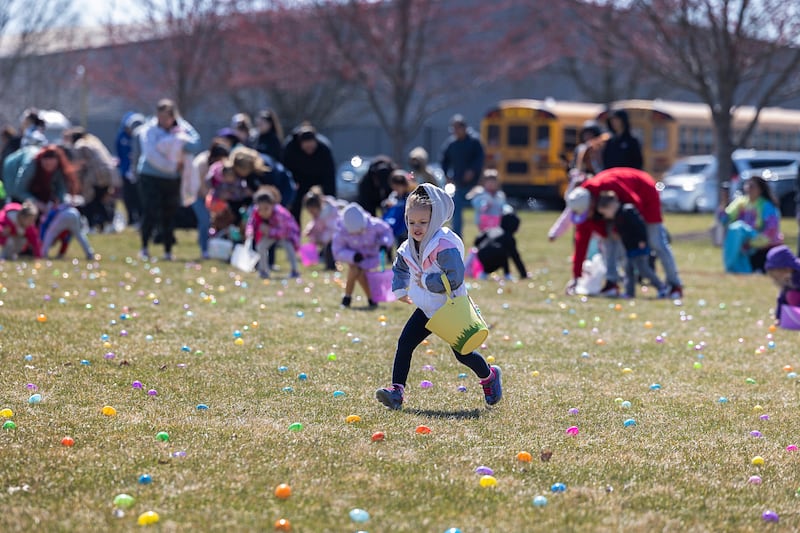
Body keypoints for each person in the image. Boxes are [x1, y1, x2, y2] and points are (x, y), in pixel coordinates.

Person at [375, 183, 502, 410]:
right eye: (412, 222)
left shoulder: (443, 244)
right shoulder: (408, 246)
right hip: (426, 309)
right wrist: (400, 290)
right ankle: (396, 392)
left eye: (423, 222)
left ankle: (489, 377)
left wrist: (424, 281)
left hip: (449, 307)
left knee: (463, 353)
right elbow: (401, 266)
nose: (417, 227)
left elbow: (454, 278)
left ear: (434, 220)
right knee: (404, 344)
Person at [565, 167, 683, 298]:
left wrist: (619, 230)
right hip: (619, 211)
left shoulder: (608, 185)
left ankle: (674, 285)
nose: (587, 217)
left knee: (657, 243)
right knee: (608, 242)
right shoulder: (585, 210)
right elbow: (581, 244)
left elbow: (634, 205)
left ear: (592, 204)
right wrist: (576, 277)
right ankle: (612, 283)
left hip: (645, 194)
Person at [137, 99, 201, 261]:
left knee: (169, 213)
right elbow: (151, 155)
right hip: (150, 176)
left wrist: (179, 142)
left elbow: (195, 144)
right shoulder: (149, 130)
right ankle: (144, 246)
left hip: (172, 180)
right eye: (160, 117)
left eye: (166, 118)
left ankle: (167, 250)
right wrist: (173, 165)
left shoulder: (183, 128)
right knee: (150, 210)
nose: (163, 121)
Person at [595, 190, 668, 298]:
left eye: (605, 213)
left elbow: (640, 226)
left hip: (639, 246)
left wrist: (642, 241)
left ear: (610, 206)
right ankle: (630, 292)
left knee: (644, 270)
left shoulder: (627, 211)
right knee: (628, 270)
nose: (606, 216)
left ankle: (661, 287)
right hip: (629, 248)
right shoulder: (617, 216)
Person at [331, 202, 393, 309]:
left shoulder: (374, 225)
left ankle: (349, 298)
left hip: (372, 257)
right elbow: (338, 251)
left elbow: (386, 232)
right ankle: (367, 299)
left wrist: (384, 243)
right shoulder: (342, 232)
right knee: (355, 271)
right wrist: (352, 256)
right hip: (356, 258)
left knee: (359, 273)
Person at [720, 174, 782, 273]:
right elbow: (724, 220)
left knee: (738, 228)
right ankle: (732, 267)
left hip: (762, 244)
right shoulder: (741, 203)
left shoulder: (766, 205)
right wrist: (724, 202)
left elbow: (771, 230)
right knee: (736, 228)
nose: (748, 189)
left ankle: (733, 267)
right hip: (744, 243)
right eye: (747, 185)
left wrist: (752, 243)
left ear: (760, 190)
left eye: (752, 186)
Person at [441, 114, 484, 237]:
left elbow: (480, 159)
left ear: (464, 128)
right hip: (458, 184)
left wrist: (472, 171)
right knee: (456, 209)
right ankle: (457, 236)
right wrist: (447, 175)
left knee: (482, 210)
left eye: (457, 129)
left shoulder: (475, 141)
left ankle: (484, 235)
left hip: (475, 185)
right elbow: (444, 160)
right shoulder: (452, 144)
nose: (455, 132)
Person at [283, 122, 336, 223]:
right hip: (298, 180)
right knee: (294, 206)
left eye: (311, 146)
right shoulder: (290, 148)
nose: (309, 149)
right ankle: (294, 231)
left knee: (325, 207)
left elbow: (329, 176)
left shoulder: (324, 149)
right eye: (307, 147)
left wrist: (330, 198)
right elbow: (286, 170)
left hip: (319, 179)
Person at [245, 186, 300, 279]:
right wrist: (250, 231)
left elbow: (285, 231)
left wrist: (270, 231)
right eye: (260, 209)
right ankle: (263, 271)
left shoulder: (280, 213)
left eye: (266, 208)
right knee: (261, 247)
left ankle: (295, 270)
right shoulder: (256, 211)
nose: (263, 212)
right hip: (270, 233)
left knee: (288, 247)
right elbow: (251, 222)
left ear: (273, 205)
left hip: (286, 234)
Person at [187, 141, 229, 259]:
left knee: (214, 223)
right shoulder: (202, 163)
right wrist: (213, 201)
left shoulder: (219, 165)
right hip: (196, 195)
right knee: (205, 221)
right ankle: (204, 250)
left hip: (212, 197)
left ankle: (214, 249)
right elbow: (201, 186)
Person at [17, 145, 80, 211]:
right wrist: (36, 203)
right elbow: (20, 190)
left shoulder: (59, 169)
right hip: (26, 198)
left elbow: (61, 188)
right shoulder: (31, 166)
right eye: (47, 164)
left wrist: (58, 199)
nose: (49, 168)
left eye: (52, 165)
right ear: (41, 160)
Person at [474, 208, 528, 280]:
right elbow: (516, 258)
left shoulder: (492, 229)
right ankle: (507, 275)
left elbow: (477, 241)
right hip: (494, 256)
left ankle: (484, 273)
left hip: (481, 255)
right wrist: (524, 274)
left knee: (499, 251)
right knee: (505, 252)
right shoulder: (509, 238)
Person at [115, 112, 145, 226]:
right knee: (128, 197)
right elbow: (120, 153)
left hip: (140, 172)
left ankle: (141, 218)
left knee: (140, 197)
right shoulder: (122, 136)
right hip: (126, 172)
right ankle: (131, 219)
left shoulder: (143, 138)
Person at [303, 186, 341, 271]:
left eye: (312, 211)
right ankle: (327, 262)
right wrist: (309, 230)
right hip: (329, 236)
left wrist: (322, 239)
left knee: (330, 249)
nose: (311, 213)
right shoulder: (320, 214)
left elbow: (332, 230)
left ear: (318, 207)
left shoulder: (328, 214)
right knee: (327, 249)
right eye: (310, 212)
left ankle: (331, 266)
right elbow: (315, 223)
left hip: (336, 235)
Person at [765, 245, 800, 324]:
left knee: (793, 296)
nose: (775, 279)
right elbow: (782, 299)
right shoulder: (787, 279)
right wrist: (779, 317)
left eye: (777, 275)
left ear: (787, 268)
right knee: (791, 295)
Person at [382, 169, 415, 246]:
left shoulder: (410, 195)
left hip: (407, 226)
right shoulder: (394, 195)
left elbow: (408, 205)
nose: (396, 190)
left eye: (397, 187)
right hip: (397, 225)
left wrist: (396, 205)